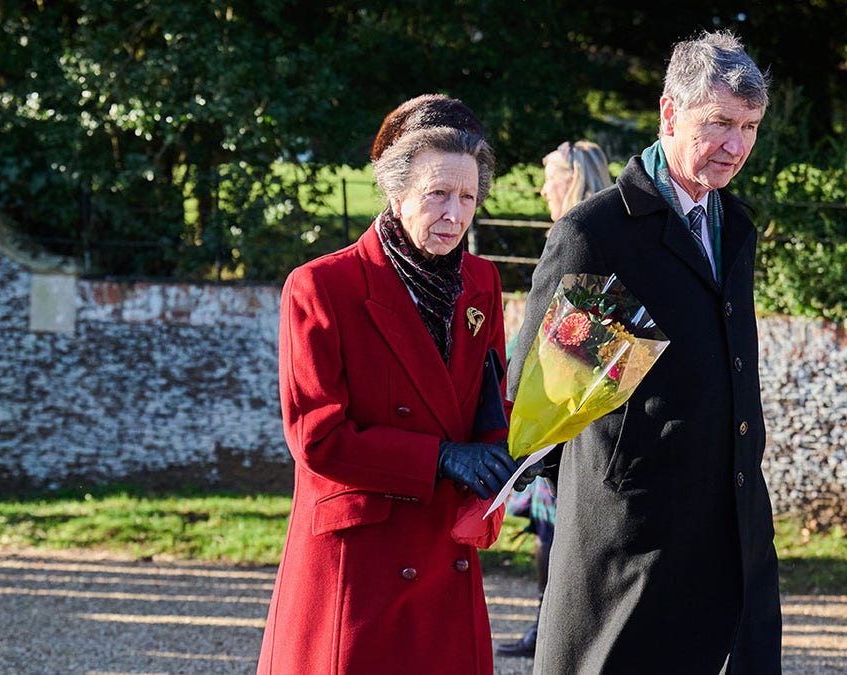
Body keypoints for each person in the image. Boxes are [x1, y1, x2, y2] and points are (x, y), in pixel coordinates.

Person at [505, 30, 781, 673]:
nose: (736, 146)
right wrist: (606, 499)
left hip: (733, 537)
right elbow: (542, 406)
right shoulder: (598, 235)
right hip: (628, 553)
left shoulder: (735, 226)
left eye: (749, 127)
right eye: (718, 124)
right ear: (669, 113)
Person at [258, 95, 537, 675]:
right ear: (395, 190)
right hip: (359, 563)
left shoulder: (481, 280)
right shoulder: (319, 286)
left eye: (468, 198)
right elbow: (318, 440)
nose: (455, 215)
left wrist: (505, 453)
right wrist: (440, 458)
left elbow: (487, 395)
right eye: (438, 194)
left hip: (444, 546)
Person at [496, 139, 612, 659]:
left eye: (550, 176)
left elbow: (579, 341)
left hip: (570, 416)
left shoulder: (585, 236)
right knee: (551, 530)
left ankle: (558, 631)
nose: (543, 188)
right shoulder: (586, 233)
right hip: (562, 411)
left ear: (576, 179)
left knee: (562, 534)